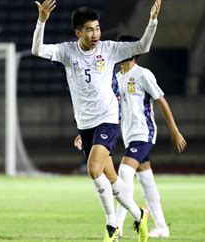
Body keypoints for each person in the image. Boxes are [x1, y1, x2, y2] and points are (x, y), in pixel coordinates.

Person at [32, 0, 161, 242]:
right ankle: (139, 214)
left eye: (98, 28)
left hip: (108, 119)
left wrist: (152, 21)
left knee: (93, 170)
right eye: (89, 29)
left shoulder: (109, 49)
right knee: (111, 179)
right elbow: (37, 49)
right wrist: (41, 22)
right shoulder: (67, 51)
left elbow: (142, 46)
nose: (95, 33)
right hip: (85, 123)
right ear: (77, 32)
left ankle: (112, 225)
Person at [74, 35, 186, 238]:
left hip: (143, 133)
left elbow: (161, 101)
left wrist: (175, 130)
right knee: (146, 180)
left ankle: (118, 225)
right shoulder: (115, 77)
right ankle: (161, 226)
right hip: (127, 135)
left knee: (124, 173)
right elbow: (105, 106)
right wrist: (84, 133)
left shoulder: (143, 75)